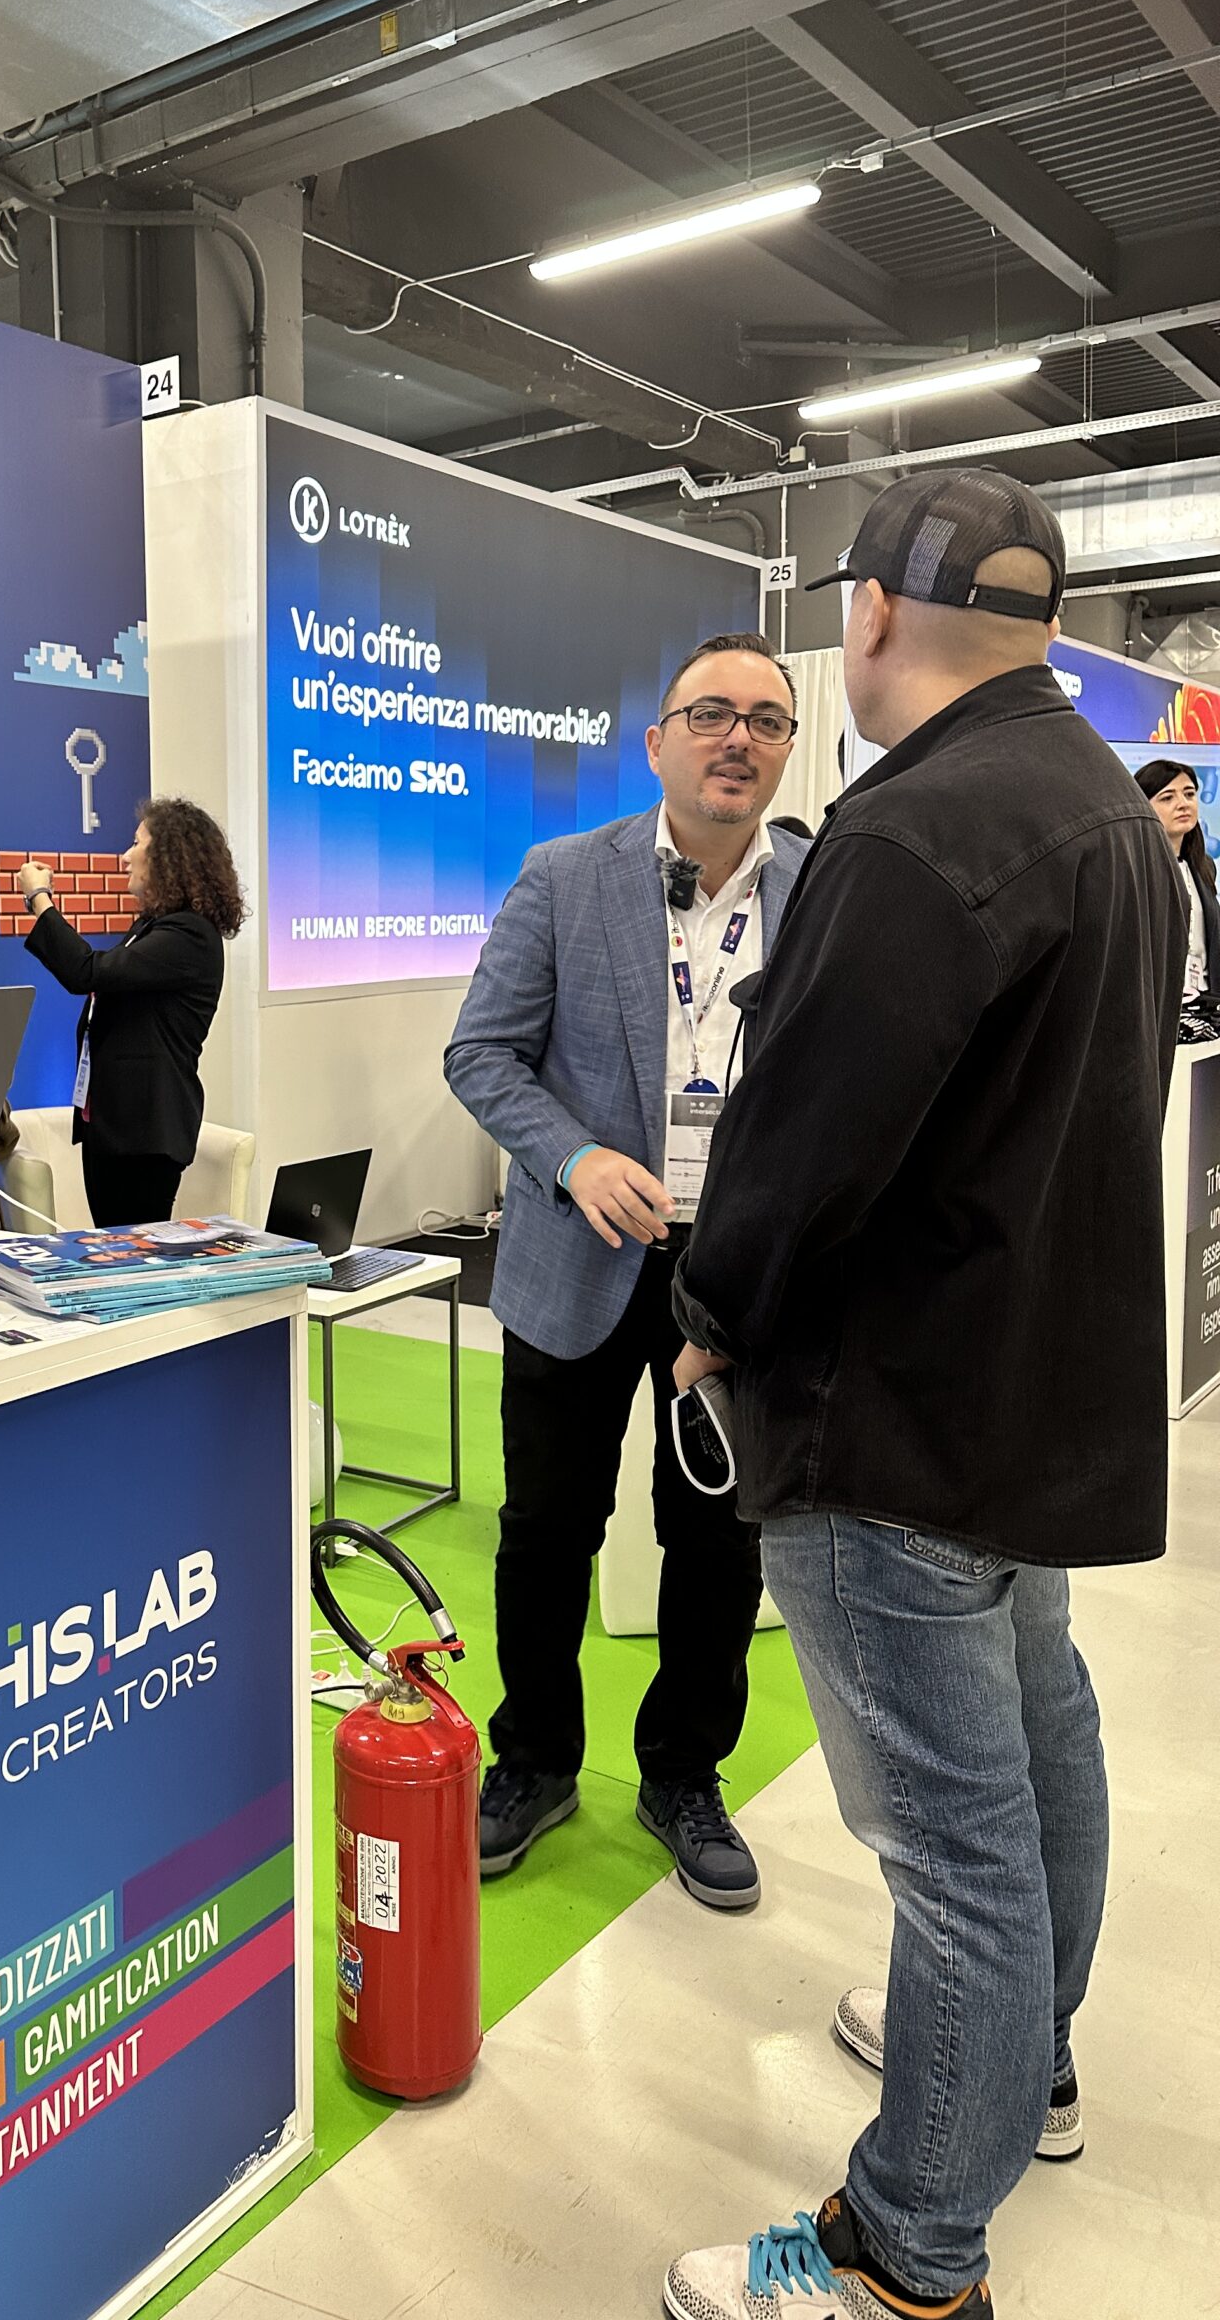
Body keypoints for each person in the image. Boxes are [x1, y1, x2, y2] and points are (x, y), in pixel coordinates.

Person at [664, 470, 1184, 2320]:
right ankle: (1023, 2066)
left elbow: (806, 1146)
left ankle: (906, 2254)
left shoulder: (908, 833)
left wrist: (711, 1312)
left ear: (869, 616)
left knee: (955, 1850)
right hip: (1031, 1398)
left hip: (890, 1418)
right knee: (1041, 1755)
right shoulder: (1112, 816)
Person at [443, 632, 809, 1907]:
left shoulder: (823, 891)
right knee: (549, 1526)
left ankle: (684, 1774)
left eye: (766, 719)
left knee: (719, 1536)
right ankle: (535, 1759)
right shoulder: (563, 876)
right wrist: (575, 1155)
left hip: (743, 1276)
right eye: (711, 713)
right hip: (581, 1251)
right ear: (657, 742)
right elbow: (481, 1055)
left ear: (786, 748)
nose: (738, 737)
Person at [18, 797, 246, 1226]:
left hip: (145, 1135)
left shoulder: (189, 935)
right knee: (113, 1248)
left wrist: (39, 900)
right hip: (113, 1128)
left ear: (169, 856)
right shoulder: (152, 928)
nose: (125, 855)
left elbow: (87, 971)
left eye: (137, 842)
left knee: (134, 1256)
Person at [1135, 757, 1219, 1031]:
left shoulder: (1204, 867)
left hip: (1204, 1010)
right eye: (1167, 797)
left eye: (1189, 794)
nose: (1183, 804)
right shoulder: (1134, 870)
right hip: (1155, 1014)